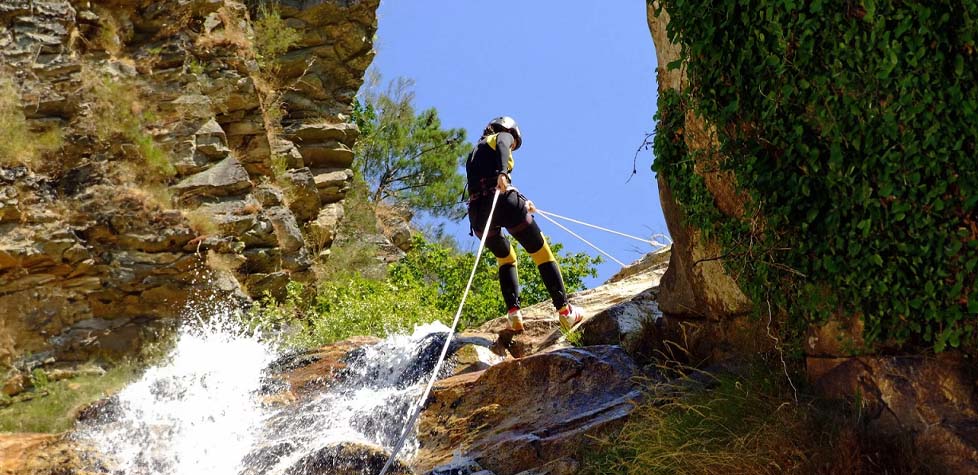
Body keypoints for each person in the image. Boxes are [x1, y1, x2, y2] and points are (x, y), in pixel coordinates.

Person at [466, 116, 583, 332]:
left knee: (506, 257)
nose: (512, 145)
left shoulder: (474, 153)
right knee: (541, 252)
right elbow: (502, 146)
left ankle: (514, 313)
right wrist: (503, 172)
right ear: (509, 130)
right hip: (502, 201)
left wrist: (522, 199)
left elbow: (483, 183)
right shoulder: (501, 136)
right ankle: (565, 312)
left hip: (478, 216)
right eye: (514, 143)